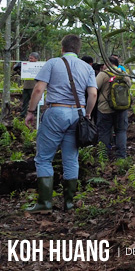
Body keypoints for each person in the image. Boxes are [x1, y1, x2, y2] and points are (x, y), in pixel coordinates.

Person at [24, 35, 97, 213]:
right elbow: (93, 94)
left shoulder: (53, 63)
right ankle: (69, 203)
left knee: (44, 158)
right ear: (78, 50)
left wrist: (30, 111)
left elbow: (39, 89)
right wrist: (87, 113)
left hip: (56, 112)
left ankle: (45, 203)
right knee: (71, 159)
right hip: (77, 114)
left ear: (62, 48)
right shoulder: (86, 68)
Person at [96, 56, 132, 159]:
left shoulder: (103, 74)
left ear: (107, 64)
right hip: (122, 108)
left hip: (105, 108)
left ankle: (103, 156)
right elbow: (129, 86)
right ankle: (121, 156)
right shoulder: (123, 74)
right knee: (121, 131)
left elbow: (94, 87)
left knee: (104, 132)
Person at [20, 52, 40, 117]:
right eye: (29, 58)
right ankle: (23, 114)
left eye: (31, 58)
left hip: (34, 86)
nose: (30, 60)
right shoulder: (26, 65)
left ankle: (36, 113)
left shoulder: (39, 66)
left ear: (36, 59)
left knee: (35, 100)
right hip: (26, 86)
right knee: (25, 101)